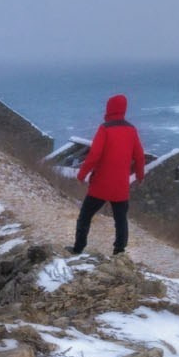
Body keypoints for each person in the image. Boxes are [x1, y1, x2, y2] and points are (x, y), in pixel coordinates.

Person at [72, 93, 147, 255]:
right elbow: (140, 157)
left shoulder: (105, 128)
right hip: (120, 186)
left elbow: (94, 155)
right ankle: (119, 252)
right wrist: (140, 176)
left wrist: (82, 175)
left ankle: (78, 248)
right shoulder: (131, 130)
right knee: (120, 220)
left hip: (101, 184)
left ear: (109, 108)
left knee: (85, 216)